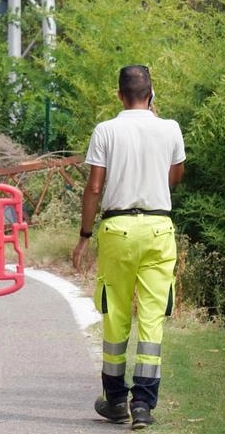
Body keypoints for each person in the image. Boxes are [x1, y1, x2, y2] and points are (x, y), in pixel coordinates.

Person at [72, 65, 186, 429]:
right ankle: (144, 406)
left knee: (116, 314)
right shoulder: (169, 128)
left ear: (119, 95)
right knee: (152, 318)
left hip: (117, 228)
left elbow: (93, 188)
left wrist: (84, 235)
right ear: (151, 94)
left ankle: (116, 401)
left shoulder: (106, 130)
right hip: (157, 228)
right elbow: (176, 175)